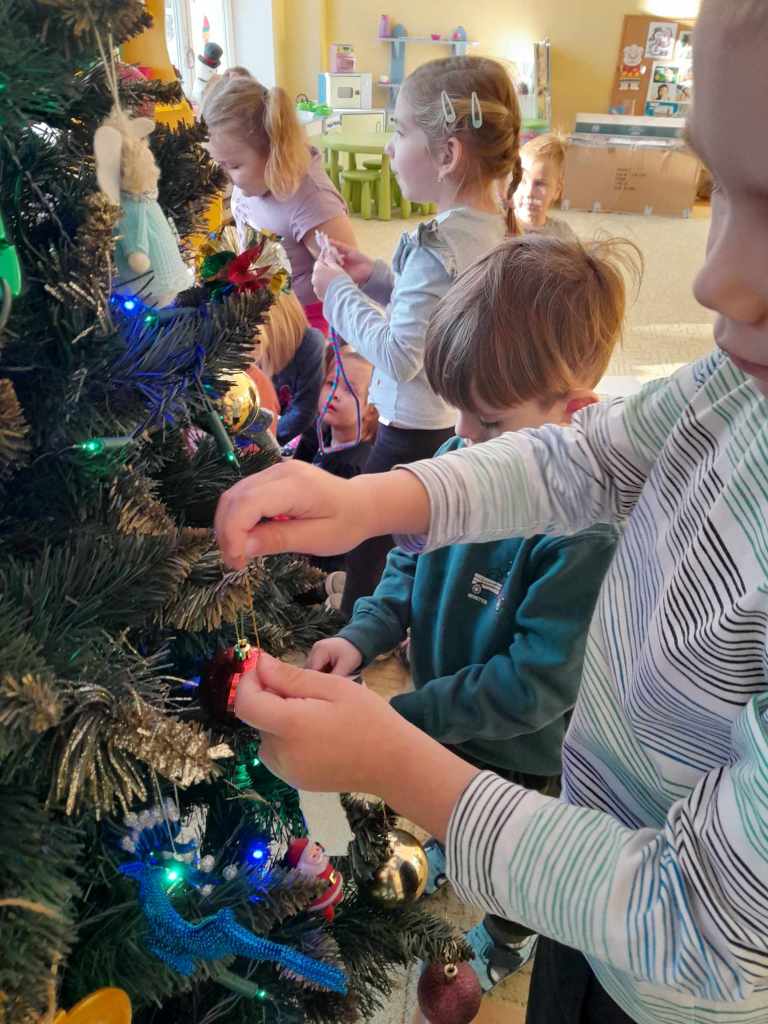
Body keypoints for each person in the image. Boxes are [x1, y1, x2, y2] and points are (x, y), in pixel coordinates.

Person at [215, 3, 768, 1022]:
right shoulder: (737, 391)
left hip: (662, 981)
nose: (714, 277)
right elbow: (583, 460)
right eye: (721, 187)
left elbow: (701, 928)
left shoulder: (582, 548)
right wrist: (370, 505)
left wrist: (391, 747)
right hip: (586, 867)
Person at [307, 234, 631, 992]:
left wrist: (402, 722)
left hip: (526, 752)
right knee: (455, 809)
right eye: (459, 414)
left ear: (574, 414)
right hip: (450, 712)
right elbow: (407, 562)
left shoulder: (583, 537)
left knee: (514, 861)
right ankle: (456, 846)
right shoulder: (460, 459)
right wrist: (362, 636)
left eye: (488, 423)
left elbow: (532, 685)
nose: (463, 439)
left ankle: (509, 938)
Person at [311, 55, 522, 618]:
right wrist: (376, 278)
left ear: (447, 154)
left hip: (411, 428)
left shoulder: (436, 246)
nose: (390, 148)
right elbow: (439, 311)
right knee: (420, 535)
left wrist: (336, 293)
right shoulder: (493, 227)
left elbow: (401, 354)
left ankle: (357, 626)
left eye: (400, 132)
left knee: (370, 534)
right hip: (453, 419)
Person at [201, 74, 357, 332]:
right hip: (266, 309)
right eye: (219, 163)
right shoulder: (249, 183)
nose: (223, 176)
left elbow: (348, 280)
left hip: (310, 321)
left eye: (234, 166)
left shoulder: (313, 202)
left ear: (273, 150)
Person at [293, 346, 378, 583]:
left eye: (350, 390)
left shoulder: (354, 467)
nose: (335, 394)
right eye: (331, 383)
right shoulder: (319, 434)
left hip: (319, 571)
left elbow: (338, 538)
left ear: (371, 410)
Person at [255, 290, 325, 446]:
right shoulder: (256, 352)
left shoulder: (310, 343)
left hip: (298, 443)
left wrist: (261, 441)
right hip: (265, 437)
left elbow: (304, 412)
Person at [513, 133, 576, 239]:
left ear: (557, 191)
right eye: (522, 181)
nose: (529, 193)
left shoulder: (563, 235)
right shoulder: (498, 229)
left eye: (539, 184)